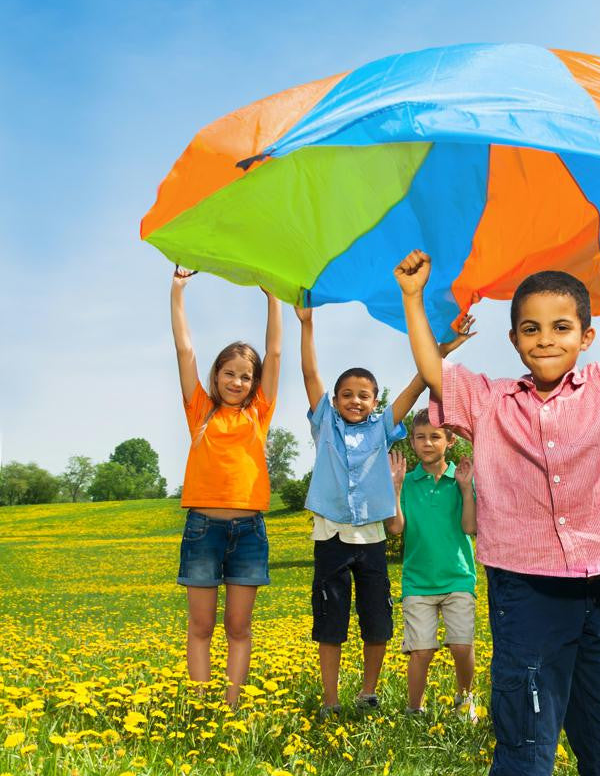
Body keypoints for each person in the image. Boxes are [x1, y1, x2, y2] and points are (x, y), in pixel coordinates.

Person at [392, 194, 600, 776]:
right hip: (522, 587)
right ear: (515, 338)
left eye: (560, 327)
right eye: (531, 328)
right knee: (523, 703)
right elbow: (434, 372)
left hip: (591, 582)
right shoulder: (491, 401)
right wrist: (415, 301)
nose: (545, 339)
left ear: (585, 336)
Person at [295, 305, 473, 716]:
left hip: (371, 539)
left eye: (364, 395)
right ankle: (331, 699)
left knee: (376, 621)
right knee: (330, 622)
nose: (355, 401)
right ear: (334, 400)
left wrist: (442, 351)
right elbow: (309, 376)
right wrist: (307, 325)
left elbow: (416, 387)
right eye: (347, 395)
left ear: (376, 402)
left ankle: (368, 692)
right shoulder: (325, 423)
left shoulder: (381, 427)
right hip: (331, 539)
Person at [171, 268, 282, 708]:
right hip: (202, 531)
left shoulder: (259, 413)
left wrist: (272, 298)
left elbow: (273, 353)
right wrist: (178, 290)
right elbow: (185, 349)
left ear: (254, 383)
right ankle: (200, 707)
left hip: (249, 533)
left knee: (239, 626)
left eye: (245, 376)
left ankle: (232, 706)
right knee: (200, 626)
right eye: (229, 373)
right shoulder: (199, 411)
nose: (237, 382)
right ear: (217, 375)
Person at [385, 411, 477, 717]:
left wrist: (466, 490)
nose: (427, 443)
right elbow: (395, 528)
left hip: (458, 578)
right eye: (420, 437)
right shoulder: (407, 483)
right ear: (412, 441)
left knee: (461, 645)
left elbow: (469, 527)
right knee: (421, 650)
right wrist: (395, 491)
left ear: (450, 441)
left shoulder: (461, 479)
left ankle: (464, 702)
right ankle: (414, 709)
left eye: (435, 436)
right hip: (418, 582)